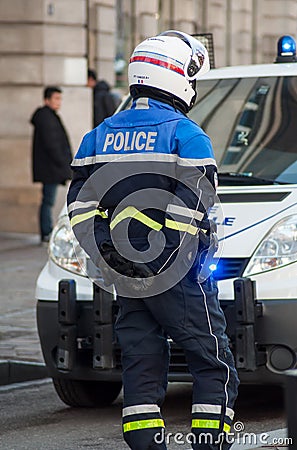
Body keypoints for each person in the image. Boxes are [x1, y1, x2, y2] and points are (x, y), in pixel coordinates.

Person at [68, 30, 239, 450]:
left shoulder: (96, 138)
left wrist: (111, 255)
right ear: (178, 77)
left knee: (141, 366)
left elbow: (78, 208)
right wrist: (162, 257)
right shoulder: (187, 135)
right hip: (178, 279)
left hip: (124, 278)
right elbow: (194, 204)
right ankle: (209, 445)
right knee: (212, 362)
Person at [31, 86, 72, 243]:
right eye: (56, 98)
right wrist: (64, 164)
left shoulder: (49, 116)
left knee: (48, 200)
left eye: (60, 99)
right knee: (48, 200)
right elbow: (52, 144)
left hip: (51, 167)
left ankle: (47, 231)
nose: (59, 102)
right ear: (47, 100)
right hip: (50, 168)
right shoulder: (46, 117)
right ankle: (46, 232)